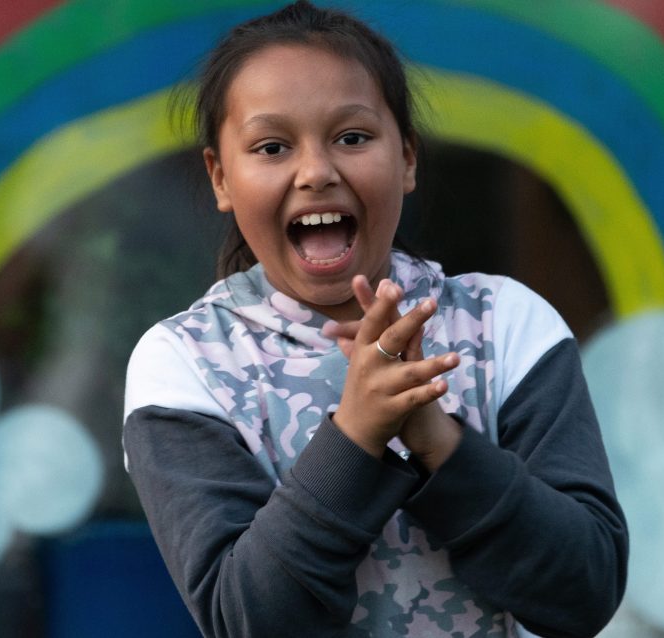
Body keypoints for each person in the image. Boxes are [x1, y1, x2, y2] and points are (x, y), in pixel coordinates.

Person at [122, 2, 628, 636]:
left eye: (352, 137)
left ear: (408, 158)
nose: (316, 172)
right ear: (221, 177)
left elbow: (586, 591)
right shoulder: (185, 363)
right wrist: (356, 435)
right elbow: (247, 620)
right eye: (272, 147)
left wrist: (438, 439)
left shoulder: (505, 325)